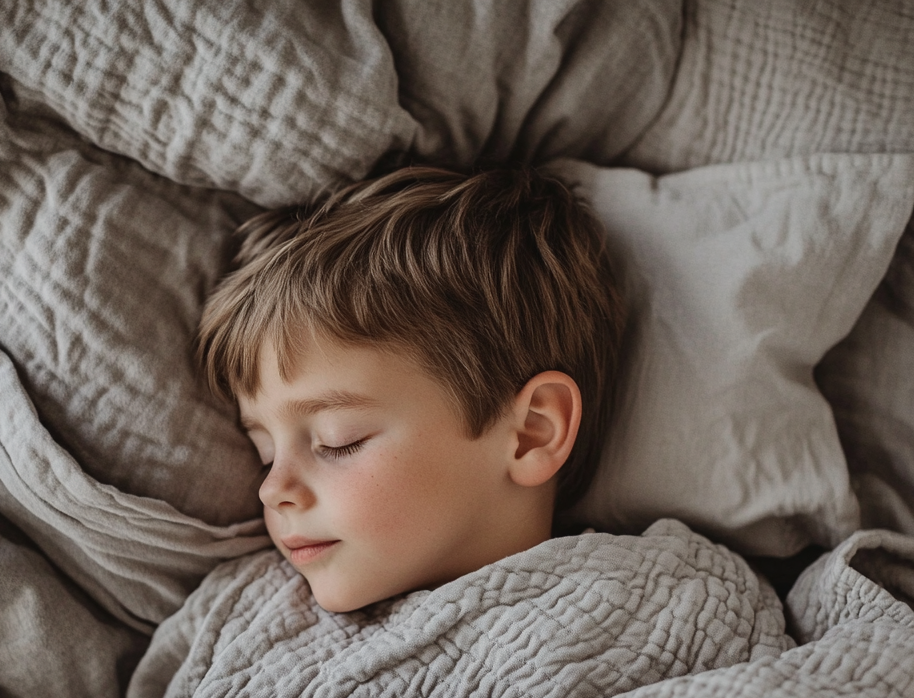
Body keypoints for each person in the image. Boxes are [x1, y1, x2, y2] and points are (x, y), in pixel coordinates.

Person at [195, 165, 625, 614]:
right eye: (264, 452)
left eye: (338, 441)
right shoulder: (235, 612)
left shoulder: (634, 606)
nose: (272, 490)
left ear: (532, 432)